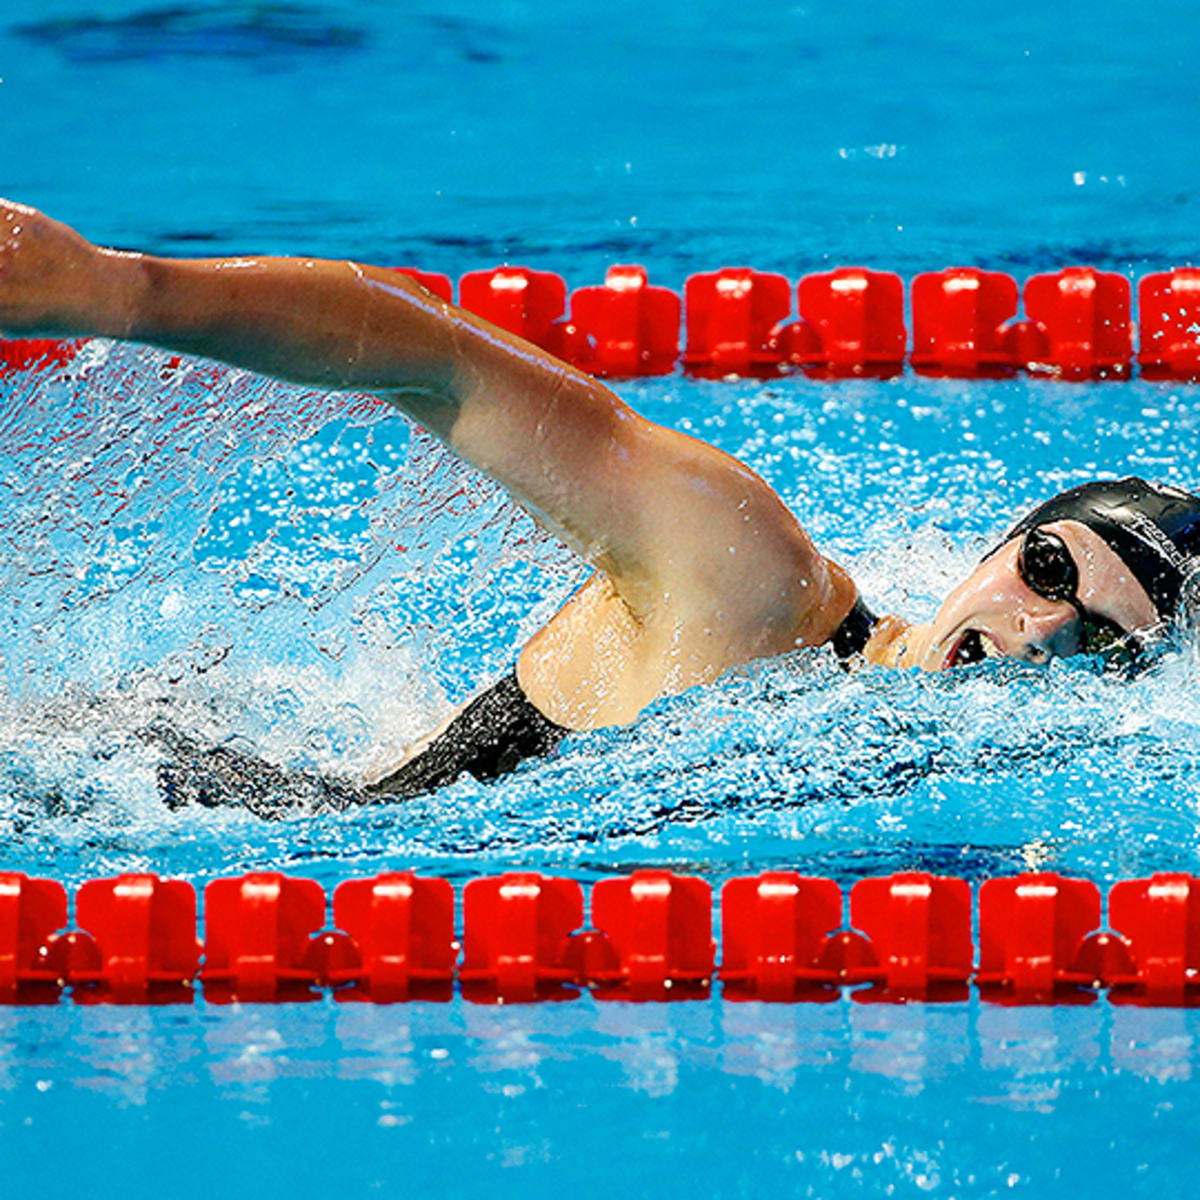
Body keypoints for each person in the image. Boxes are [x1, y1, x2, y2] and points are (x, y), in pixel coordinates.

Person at [1, 200, 1197, 812]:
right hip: (162, 812)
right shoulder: (747, 577)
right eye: (1051, 570)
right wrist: (115, 288)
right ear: (998, 545)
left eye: (1099, 641)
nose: (1041, 630)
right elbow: (439, 359)